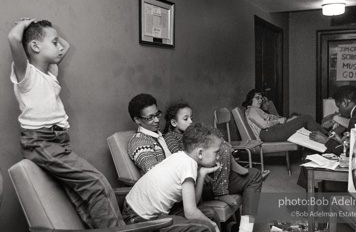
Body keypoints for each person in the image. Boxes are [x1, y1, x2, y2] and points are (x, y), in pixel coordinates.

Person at [8, 18, 124, 228]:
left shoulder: (50, 72)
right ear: (35, 46)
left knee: (80, 196)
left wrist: (47, 33)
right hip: (41, 142)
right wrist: (28, 23)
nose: (60, 46)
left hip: (58, 142)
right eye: (54, 42)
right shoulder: (26, 74)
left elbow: (66, 46)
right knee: (96, 183)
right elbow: (13, 38)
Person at [127, 94, 220, 228]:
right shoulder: (139, 141)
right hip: (144, 214)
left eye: (157, 114)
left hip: (171, 196)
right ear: (137, 119)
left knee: (209, 212)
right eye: (150, 117)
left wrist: (200, 172)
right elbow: (154, 173)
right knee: (204, 224)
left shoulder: (161, 136)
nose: (156, 120)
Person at [163, 103, 265, 209]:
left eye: (191, 118)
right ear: (174, 122)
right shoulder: (170, 137)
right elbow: (180, 155)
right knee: (223, 149)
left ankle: (245, 224)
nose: (190, 121)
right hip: (200, 171)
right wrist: (200, 170)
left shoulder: (192, 133)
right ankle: (221, 192)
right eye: (185, 119)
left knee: (253, 172)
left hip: (212, 165)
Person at [310, 85, 356, 156]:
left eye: (339, 106)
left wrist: (326, 141)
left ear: (345, 102)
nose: (338, 110)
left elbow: (351, 153)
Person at [242, 89, 328, 142]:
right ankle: (328, 137)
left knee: (303, 119)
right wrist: (278, 121)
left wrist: (284, 121)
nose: (260, 100)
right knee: (306, 118)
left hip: (271, 131)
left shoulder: (257, 110)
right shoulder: (251, 110)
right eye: (257, 98)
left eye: (261, 98)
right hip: (267, 133)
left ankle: (326, 137)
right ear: (250, 99)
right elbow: (264, 125)